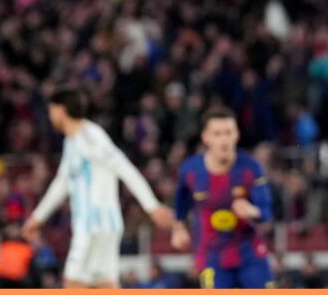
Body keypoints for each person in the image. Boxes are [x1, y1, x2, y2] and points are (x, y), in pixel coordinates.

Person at [23, 85, 174, 288]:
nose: (50, 117)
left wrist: (151, 206)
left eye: (51, 110)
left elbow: (124, 167)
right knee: (105, 286)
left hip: (93, 225)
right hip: (101, 226)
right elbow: (62, 182)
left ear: (61, 110)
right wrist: (37, 218)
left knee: (73, 283)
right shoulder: (72, 141)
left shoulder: (89, 136)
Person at [172, 106, 275, 288]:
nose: (224, 140)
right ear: (206, 137)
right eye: (217, 134)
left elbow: (266, 212)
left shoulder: (251, 168)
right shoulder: (190, 170)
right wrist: (178, 228)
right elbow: (180, 200)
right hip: (211, 256)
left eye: (228, 132)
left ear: (237, 135)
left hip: (250, 254)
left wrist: (252, 210)